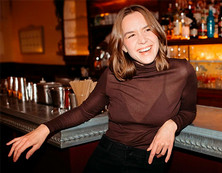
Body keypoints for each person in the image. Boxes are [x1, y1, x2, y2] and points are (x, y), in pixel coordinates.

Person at [7, 5, 197, 173]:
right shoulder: (113, 74)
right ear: (123, 46)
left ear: (157, 33)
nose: (142, 40)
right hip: (108, 153)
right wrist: (44, 129)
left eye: (147, 30)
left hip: (149, 158)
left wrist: (171, 125)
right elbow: (84, 111)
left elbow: (188, 111)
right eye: (131, 35)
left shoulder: (181, 71)